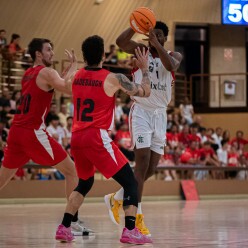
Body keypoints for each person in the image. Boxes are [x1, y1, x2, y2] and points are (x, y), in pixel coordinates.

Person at [55, 35, 152, 244]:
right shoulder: (112, 77)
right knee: (131, 182)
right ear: (102, 55)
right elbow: (145, 91)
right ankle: (130, 230)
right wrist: (144, 69)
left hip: (77, 137)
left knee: (85, 182)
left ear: (84, 56)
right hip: (96, 136)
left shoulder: (77, 76)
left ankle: (64, 226)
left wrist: (73, 66)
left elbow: (64, 83)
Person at [0, 38, 90, 235]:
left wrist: (66, 73)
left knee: (2, 179)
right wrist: (75, 67)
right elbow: (67, 88)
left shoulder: (28, 74)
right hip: (32, 133)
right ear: (38, 54)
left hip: (16, 132)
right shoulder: (48, 72)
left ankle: (72, 220)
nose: (52, 53)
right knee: (72, 171)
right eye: (49, 50)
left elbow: (54, 82)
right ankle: (72, 221)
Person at [104, 21, 183, 236]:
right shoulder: (141, 51)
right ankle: (136, 219)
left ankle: (117, 197)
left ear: (165, 38)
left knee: (151, 169)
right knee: (141, 166)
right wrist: (135, 25)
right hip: (141, 112)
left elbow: (171, 67)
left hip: (161, 115)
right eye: (152, 35)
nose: (155, 38)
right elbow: (120, 42)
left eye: (159, 35)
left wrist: (157, 46)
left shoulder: (173, 55)